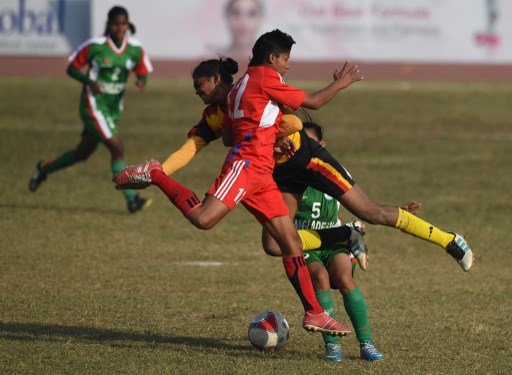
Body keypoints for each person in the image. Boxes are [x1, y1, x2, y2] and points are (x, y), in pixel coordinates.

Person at [114, 29, 364, 336]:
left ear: (216, 80)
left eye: (199, 85)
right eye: (286, 59)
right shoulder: (259, 80)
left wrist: (273, 133)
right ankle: (156, 175)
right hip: (247, 166)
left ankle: (314, 313)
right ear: (272, 58)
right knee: (204, 220)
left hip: (262, 173)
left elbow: (239, 133)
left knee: (291, 242)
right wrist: (340, 84)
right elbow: (308, 105)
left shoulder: (238, 91)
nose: (287, 65)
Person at [263, 109, 474, 272]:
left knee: (373, 214)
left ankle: (449, 240)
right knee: (273, 244)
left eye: (310, 143)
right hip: (290, 174)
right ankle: (345, 234)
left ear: (321, 146)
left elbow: (311, 101)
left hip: (305, 176)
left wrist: (338, 84)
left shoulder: (323, 165)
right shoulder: (251, 111)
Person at [264, 122, 384, 362]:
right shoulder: (291, 175)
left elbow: (362, 204)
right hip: (304, 244)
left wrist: (390, 213)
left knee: (345, 278)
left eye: (310, 143)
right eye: (300, 144)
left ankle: (366, 343)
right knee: (319, 277)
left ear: (322, 145)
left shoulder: (334, 172)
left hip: (332, 242)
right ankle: (332, 345)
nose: (303, 149)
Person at [28, 6, 153, 213]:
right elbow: (71, 68)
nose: (119, 27)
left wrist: (141, 80)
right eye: (115, 23)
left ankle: (43, 169)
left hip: (113, 109)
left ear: (127, 25)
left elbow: (142, 70)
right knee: (117, 147)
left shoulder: (135, 49)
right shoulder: (95, 46)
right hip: (93, 105)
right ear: (108, 25)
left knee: (82, 153)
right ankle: (132, 198)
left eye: (123, 23)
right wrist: (89, 82)